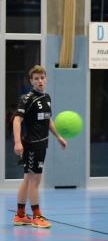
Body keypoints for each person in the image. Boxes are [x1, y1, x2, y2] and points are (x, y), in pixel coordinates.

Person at [12, 65, 67, 229]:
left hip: (42, 143)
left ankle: (20, 215)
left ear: (46, 78)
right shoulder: (27, 98)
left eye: (42, 77)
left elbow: (48, 119)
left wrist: (58, 137)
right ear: (31, 81)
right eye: (36, 79)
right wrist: (17, 142)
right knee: (35, 180)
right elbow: (16, 120)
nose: (40, 81)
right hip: (32, 145)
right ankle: (37, 216)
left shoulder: (47, 97)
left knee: (28, 179)